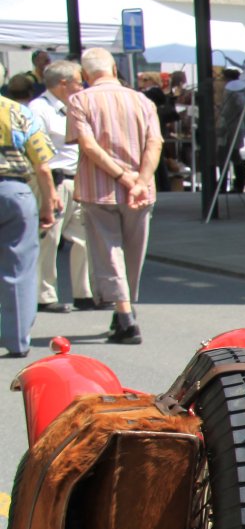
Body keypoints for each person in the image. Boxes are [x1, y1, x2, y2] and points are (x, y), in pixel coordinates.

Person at [67, 47, 161, 346]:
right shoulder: (142, 100)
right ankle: (125, 310)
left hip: (100, 188)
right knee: (133, 252)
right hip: (140, 191)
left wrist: (122, 177)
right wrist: (140, 180)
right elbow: (155, 142)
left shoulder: (80, 100)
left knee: (108, 252)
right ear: (114, 69)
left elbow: (88, 146)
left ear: (85, 74)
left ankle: (125, 316)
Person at [0, 74, 58, 358]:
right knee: (19, 270)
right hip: (15, 193)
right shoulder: (17, 112)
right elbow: (43, 164)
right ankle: (17, 341)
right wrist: (48, 202)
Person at [29, 59, 92, 314]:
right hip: (54, 180)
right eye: (79, 81)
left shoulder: (73, 106)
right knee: (49, 240)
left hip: (77, 179)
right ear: (63, 83)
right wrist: (47, 191)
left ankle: (84, 292)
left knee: (84, 237)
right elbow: (38, 152)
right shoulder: (39, 108)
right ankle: (44, 295)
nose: (82, 86)